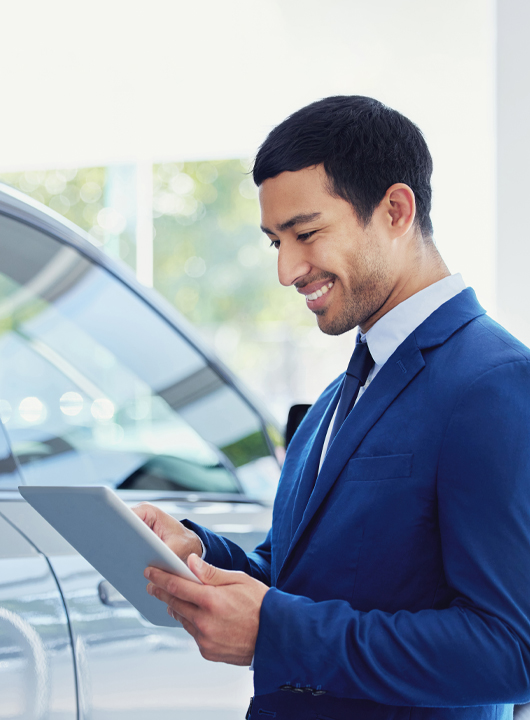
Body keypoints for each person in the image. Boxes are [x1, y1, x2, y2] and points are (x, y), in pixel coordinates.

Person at [133, 96, 530, 719]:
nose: (289, 270)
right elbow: (306, 579)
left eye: (307, 233)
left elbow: (513, 651)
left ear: (396, 210)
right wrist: (203, 556)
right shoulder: (336, 399)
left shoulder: (495, 384)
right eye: (275, 243)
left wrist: (276, 633)